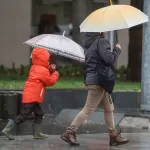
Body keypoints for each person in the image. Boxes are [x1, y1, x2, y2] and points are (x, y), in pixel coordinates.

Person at [61, 32, 129, 146]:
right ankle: (70, 131)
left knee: (108, 109)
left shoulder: (89, 44)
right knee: (88, 109)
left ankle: (113, 136)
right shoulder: (101, 42)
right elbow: (109, 59)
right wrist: (117, 50)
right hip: (99, 80)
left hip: (95, 80)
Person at [2, 47, 59, 140]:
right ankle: (7, 129)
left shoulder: (35, 67)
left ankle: (37, 133)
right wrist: (55, 74)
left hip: (31, 96)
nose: (48, 60)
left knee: (39, 113)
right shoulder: (42, 70)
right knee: (24, 115)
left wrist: (50, 69)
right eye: (47, 59)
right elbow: (49, 81)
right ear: (43, 59)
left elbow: (43, 73)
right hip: (33, 97)